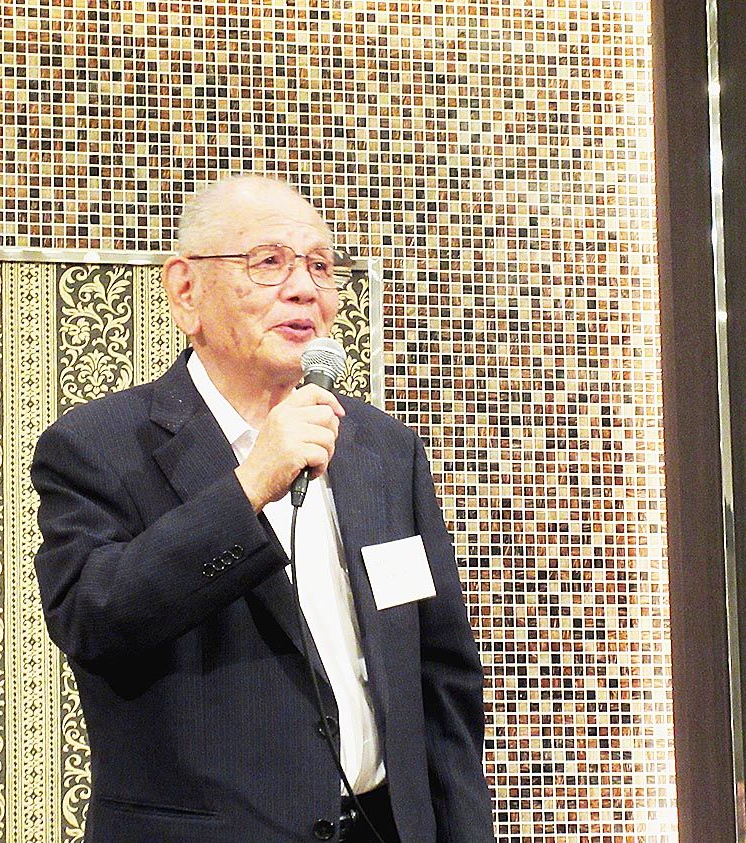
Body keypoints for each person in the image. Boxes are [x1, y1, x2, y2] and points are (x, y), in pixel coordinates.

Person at [31, 176, 494, 842]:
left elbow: (440, 675)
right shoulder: (99, 446)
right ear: (186, 290)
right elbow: (93, 618)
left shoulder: (384, 450)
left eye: (321, 266)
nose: (305, 288)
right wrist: (248, 486)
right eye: (269, 262)